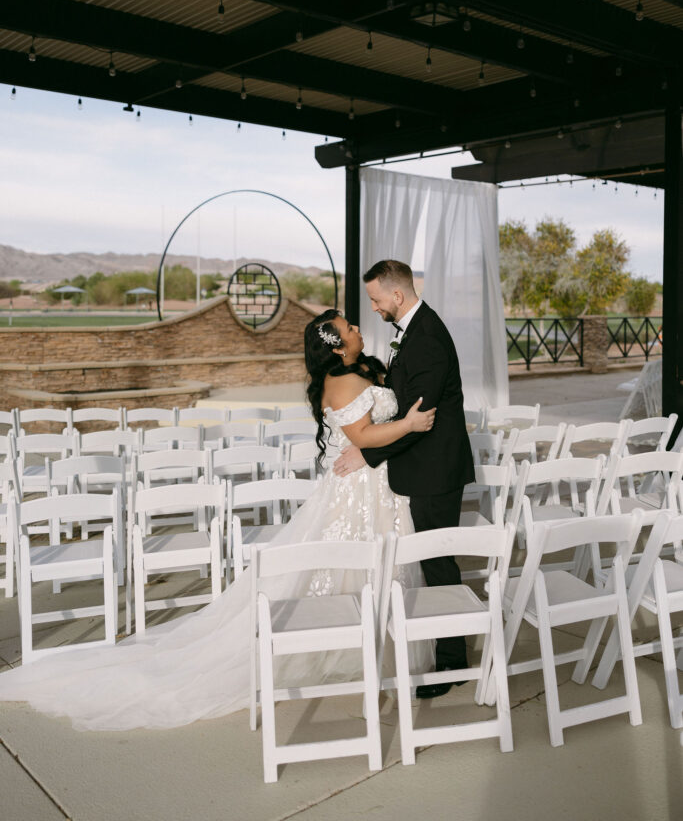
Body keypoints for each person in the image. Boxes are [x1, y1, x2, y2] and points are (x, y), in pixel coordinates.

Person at [0, 311, 433, 731]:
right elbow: (363, 438)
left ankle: (360, 654)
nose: (358, 328)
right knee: (349, 567)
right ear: (337, 348)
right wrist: (410, 425)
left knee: (362, 570)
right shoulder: (344, 382)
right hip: (357, 491)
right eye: (349, 327)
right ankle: (352, 651)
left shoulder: (353, 374)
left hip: (373, 488)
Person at [333, 260, 475, 698]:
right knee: (432, 562)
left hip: (434, 470)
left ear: (397, 295)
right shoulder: (414, 331)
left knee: (439, 564)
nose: (373, 308)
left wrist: (367, 451)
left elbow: (421, 419)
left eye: (376, 299)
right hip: (421, 467)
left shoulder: (428, 337)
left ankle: (452, 664)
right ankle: (446, 653)